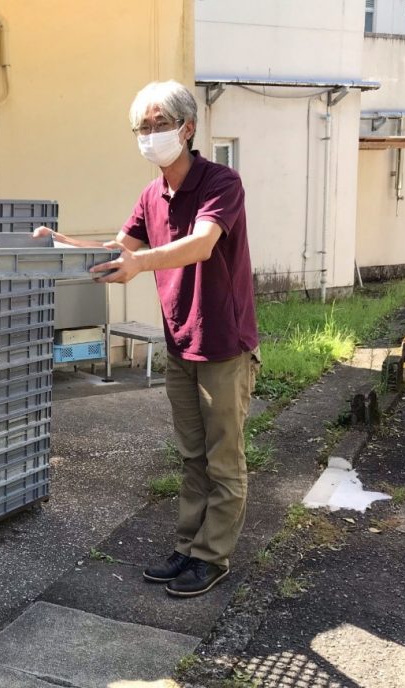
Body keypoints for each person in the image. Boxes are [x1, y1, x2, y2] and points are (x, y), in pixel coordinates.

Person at [38, 80, 259, 598]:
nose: (151, 135)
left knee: (224, 458)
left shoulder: (220, 182)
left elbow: (202, 245)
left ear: (188, 128)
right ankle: (187, 547)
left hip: (224, 343)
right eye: (143, 127)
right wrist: (59, 242)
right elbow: (117, 251)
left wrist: (139, 263)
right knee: (192, 454)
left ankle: (213, 556)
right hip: (181, 341)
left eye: (160, 124)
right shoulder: (151, 195)